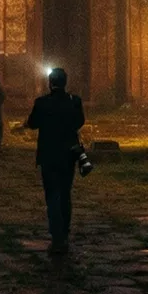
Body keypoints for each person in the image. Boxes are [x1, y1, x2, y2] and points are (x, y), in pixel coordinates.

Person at [24, 67, 86, 254]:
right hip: (68, 154)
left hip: (49, 154)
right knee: (65, 193)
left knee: (52, 195)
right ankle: (64, 233)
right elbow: (79, 122)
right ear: (66, 82)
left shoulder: (42, 103)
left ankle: (56, 235)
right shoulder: (74, 101)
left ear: (50, 83)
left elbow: (33, 123)